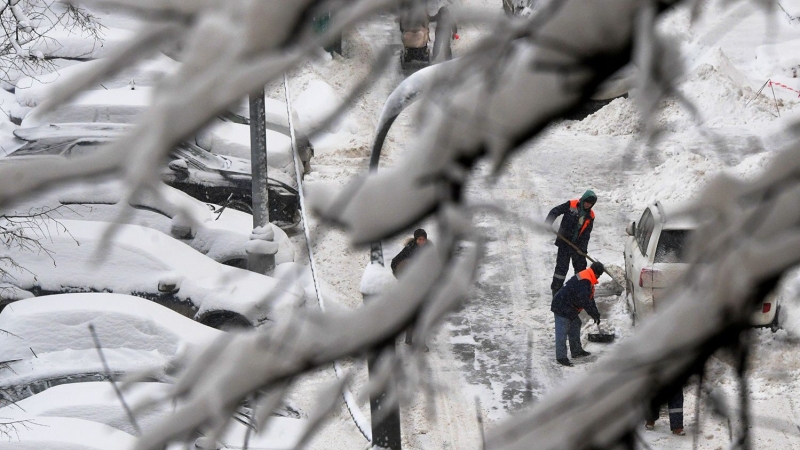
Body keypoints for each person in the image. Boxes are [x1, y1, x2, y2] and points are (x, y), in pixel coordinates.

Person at [545, 190, 597, 298]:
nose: (587, 204)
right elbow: (556, 210)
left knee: (581, 269)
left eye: (590, 203)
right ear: (583, 199)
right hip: (564, 242)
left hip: (577, 246)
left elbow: (586, 234)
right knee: (561, 269)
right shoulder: (571, 205)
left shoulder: (590, 216)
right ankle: (556, 291)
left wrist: (583, 250)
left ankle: (579, 291)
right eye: (586, 202)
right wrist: (548, 222)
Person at [550, 261, 603, 367]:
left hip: (569, 306)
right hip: (561, 306)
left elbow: (590, 298)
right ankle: (561, 357)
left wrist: (596, 314)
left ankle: (576, 351)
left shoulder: (588, 277)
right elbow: (585, 301)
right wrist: (593, 313)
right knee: (562, 331)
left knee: (576, 324)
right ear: (597, 274)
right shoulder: (585, 280)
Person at [391, 228, 431, 350]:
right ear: (416, 239)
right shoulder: (409, 250)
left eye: (424, 239)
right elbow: (394, 262)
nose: (422, 241)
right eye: (420, 239)